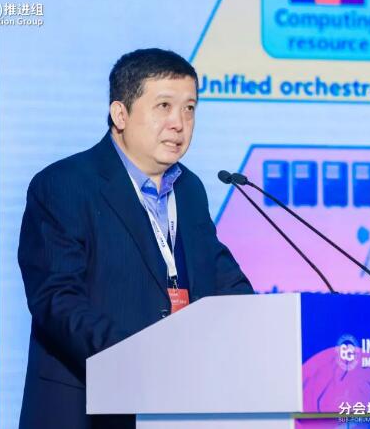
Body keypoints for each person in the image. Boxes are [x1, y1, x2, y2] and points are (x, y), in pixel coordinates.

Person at [17, 48, 254, 429]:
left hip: (178, 408)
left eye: (190, 108)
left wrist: (266, 328)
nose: (179, 123)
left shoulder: (189, 189)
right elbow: (57, 301)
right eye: (164, 106)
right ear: (120, 114)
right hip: (86, 408)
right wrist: (140, 359)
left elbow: (223, 279)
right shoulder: (64, 185)